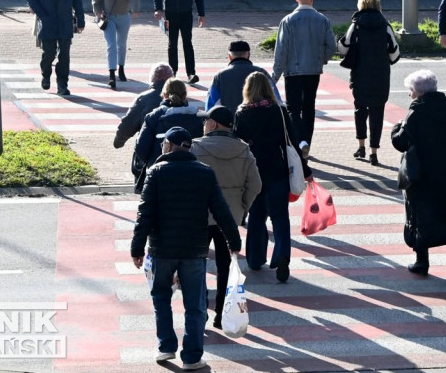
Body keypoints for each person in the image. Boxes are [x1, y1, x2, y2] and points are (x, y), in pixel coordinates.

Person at [130, 126, 240, 370]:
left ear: (168, 145)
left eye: (163, 144)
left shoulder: (156, 172)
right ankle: (191, 357)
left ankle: (166, 347)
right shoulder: (204, 173)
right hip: (194, 250)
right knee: (195, 304)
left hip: (162, 249)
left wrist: (137, 248)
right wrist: (234, 241)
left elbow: (144, 213)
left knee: (161, 297)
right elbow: (221, 211)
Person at [232, 72, 311, 283]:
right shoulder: (279, 111)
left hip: (254, 171)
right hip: (278, 169)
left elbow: (238, 145)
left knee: (257, 214)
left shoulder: (242, 113)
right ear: (268, 88)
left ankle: (256, 258)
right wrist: (306, 169)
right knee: (280, 216)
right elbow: (292, 141)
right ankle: (282, 253)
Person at [390, 70, 446, 280]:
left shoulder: (417, 111)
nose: (409, 95)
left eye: (411, 91)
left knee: (420, 216)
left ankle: (422, 262)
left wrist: (396, 127)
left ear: (419, 92)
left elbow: (401, 142)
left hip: (422, 175)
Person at [190, 105, 261, 330]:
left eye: (206, 121)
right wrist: (242, 207)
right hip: (229, 216)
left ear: (213, 124)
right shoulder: (244, 150)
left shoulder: (195, 147)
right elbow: (256, 184)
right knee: (224, 267)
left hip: (200, 215)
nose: (203, 125)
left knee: (197, 266)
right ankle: (221, 315)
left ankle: (200, 312)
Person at [337, 0, 400, 166]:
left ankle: (361, 147)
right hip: (380, 76)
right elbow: (394, 53)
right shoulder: (385, 25)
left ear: (361, 6)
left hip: (360, 74)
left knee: (360, 109)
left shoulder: (356, 25)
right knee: (377, 112)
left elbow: (343, 47)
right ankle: (374, 153)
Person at [271, 0, 334, 155]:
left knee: (293, 108)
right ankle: (307, 143)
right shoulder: (323, 20)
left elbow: (281, 51)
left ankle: (300, 142)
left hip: (293, 72)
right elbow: (332, 46)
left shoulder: (287, 21)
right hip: (313, 71)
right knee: (309, 107)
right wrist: (321, 59)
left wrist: (274, 76)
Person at [27, 0, 85, 97]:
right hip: (47, 22)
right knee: (49, 53)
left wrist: (80, 20)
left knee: (64, 55)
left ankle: (62, 84)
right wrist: (43, 16)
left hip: (65, 22)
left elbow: (77, 0)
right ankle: (46, 74)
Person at [134, 79, 205, 193]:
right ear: (185, 95)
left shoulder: (154, 117)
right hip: (192, 173)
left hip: (160, 173)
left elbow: (141, 149)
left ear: (164, 95)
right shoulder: (198, 117)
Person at [153, 0, 206, 84]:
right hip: (170, 14)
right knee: (172, 44)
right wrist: (158, 8)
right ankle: (173, 72)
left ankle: (191, 73)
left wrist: (202, 13)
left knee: (187, 43)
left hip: (186, 14)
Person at [91, 0, 141, 90]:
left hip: (124, 17)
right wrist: (98, 11)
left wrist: (135, 8)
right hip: (109, 17)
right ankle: (112, 75)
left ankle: (121, 69)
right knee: (111, 45)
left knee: (122, 45)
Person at [113, 63, 175, 150]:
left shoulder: (144, 98)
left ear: (153, 77)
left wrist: (119, 141)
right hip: (176, 149)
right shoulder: (180, 98)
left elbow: (129, 123)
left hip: (148, 150)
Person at [206, 40, 276, 113]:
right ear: (248, 55)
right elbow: (276, 99)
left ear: (229, 56)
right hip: (261, 121)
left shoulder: (220, 76)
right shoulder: (261, 73)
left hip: (229, 122)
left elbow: (211, 106)